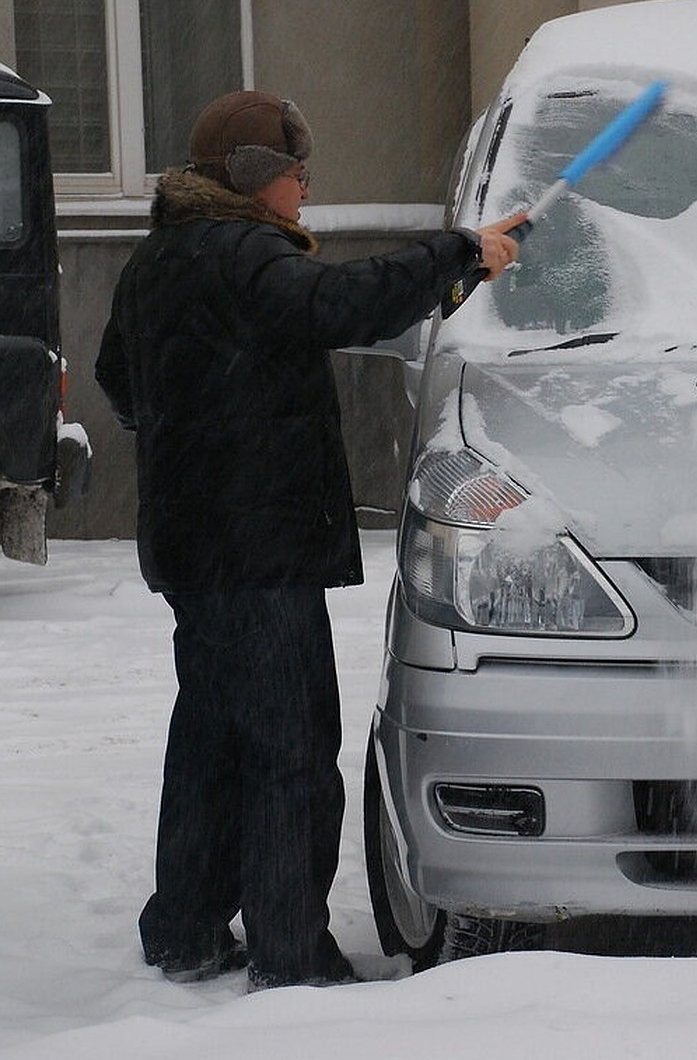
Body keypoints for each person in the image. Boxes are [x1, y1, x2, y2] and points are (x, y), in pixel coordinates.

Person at [95, 90, 518, 991]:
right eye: (296, 170)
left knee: (212, 739)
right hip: (256, 552)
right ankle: (291, 956)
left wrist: (189, 432)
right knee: (290, 750)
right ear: (254, 179)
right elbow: (338, 304)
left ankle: (186, 929)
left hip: (194, 552)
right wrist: (456, 253)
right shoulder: (246, 252)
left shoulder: (160, 259)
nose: (306, 185)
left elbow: (114, 377)